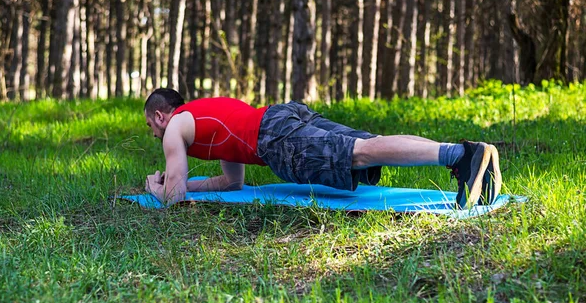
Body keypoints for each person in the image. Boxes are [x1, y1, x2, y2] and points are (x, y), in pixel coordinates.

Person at [144, 88, 502, 209]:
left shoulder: (176, 127)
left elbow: (172, 198)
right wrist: (187, 184)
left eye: (150, 127)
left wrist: (156, 188)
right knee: (368, 145)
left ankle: (461, 156)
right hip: (280, 116)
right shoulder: (203, 120)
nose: (154, 136)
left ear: (161, 116)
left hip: (275, 137)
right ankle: (465, 155)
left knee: (361, 151)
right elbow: (232, 184)